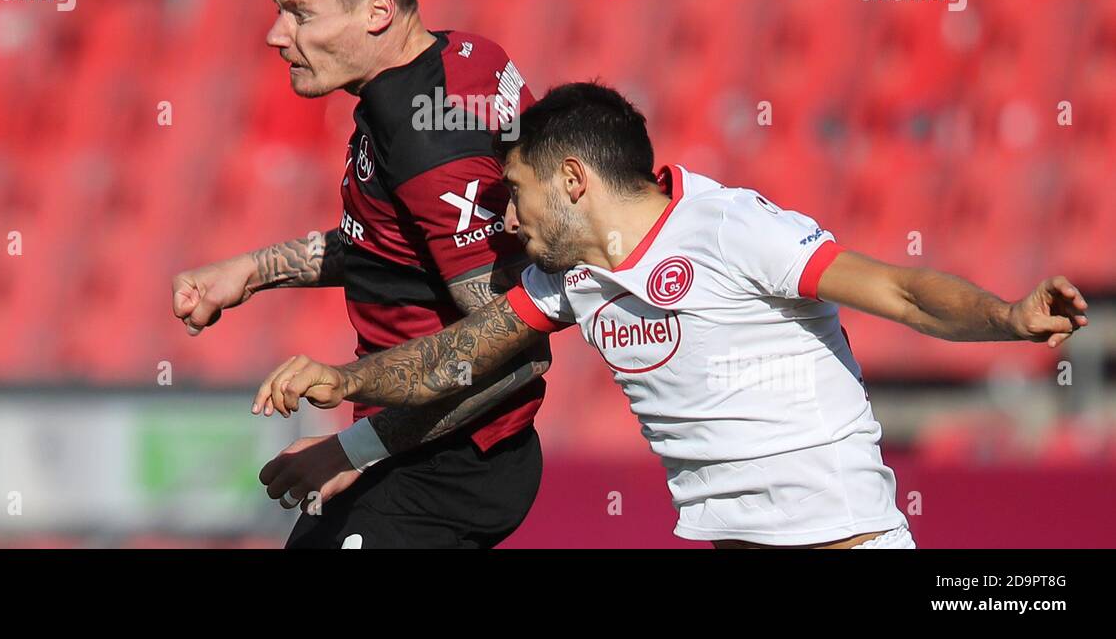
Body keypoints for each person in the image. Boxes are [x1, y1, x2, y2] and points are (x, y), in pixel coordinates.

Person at [253, 81, 1089, 548]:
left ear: (573, 180)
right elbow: (461, 356)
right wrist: (344, 392)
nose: (508, 219)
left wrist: (1009, 316)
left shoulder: (731, 227)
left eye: (520, 194)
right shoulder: (570, 278)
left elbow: (901, 290)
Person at [173, 0, 550, 548]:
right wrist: (251, 271)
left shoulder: (428, 139)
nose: (276, 35)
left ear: (379, 12)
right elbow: (399, 241)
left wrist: (356, 447)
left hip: (451, 468)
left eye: (300, 15)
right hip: (417, 451)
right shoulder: (457, 61)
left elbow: (513, 349)